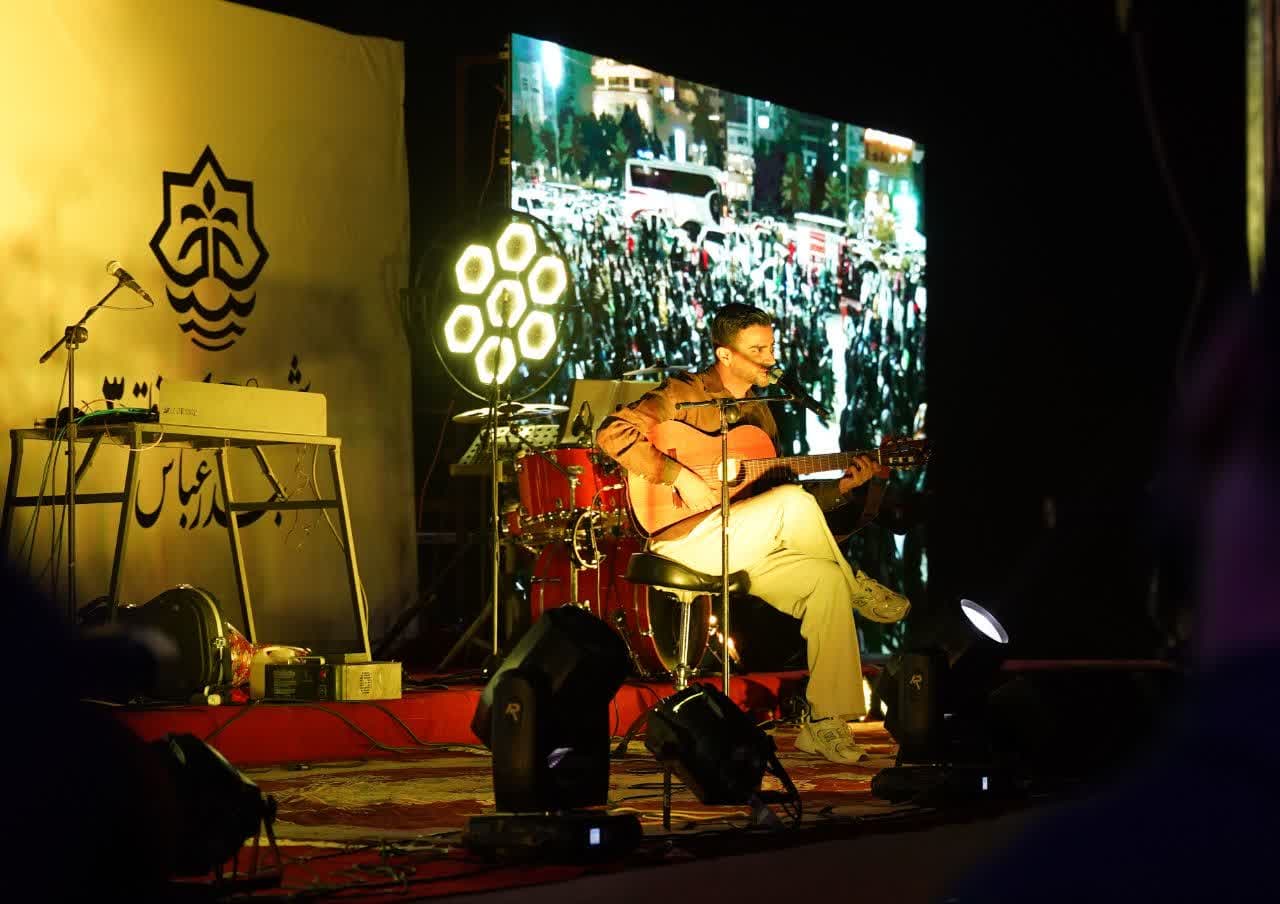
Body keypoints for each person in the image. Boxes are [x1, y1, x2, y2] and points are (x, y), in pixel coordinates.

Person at [596, 302, 910, 764]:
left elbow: (776, 495)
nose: (770, 358)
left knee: (824, 581)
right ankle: (857, 586)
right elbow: (612, 434)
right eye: (758, 350)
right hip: (683, 537)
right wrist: (677, 475)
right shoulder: (684, 393)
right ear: (725, 354)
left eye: (771, 347)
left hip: (741, 538)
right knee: (795, 508)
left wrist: (843, 487)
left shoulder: (761, 413)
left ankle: (824, 721)